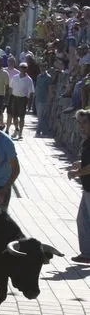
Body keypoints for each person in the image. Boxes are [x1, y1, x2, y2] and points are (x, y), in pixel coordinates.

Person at [67, 109, 90, 263]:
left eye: (84, 122)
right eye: (79, 123)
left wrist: (77, 173)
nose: (81, 126)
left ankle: (87, 254)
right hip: (87, 189)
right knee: (82, 220)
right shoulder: (87, 140)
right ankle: (87, 254)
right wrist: (80, 164)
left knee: (84, 220)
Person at [8, 62, 33, 139]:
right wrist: (9, 99)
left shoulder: (29, 80)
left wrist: (29, 104)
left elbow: (31, 92)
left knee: (22, 117)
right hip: (14, 98)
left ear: (26, 69)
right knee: (14, 116)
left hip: (23, 100)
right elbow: (11, 88)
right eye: (21, 67)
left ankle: (21, 132)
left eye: (24, 67)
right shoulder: (15, 77)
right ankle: (16, 129)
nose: (23, 69)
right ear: (19, 68)